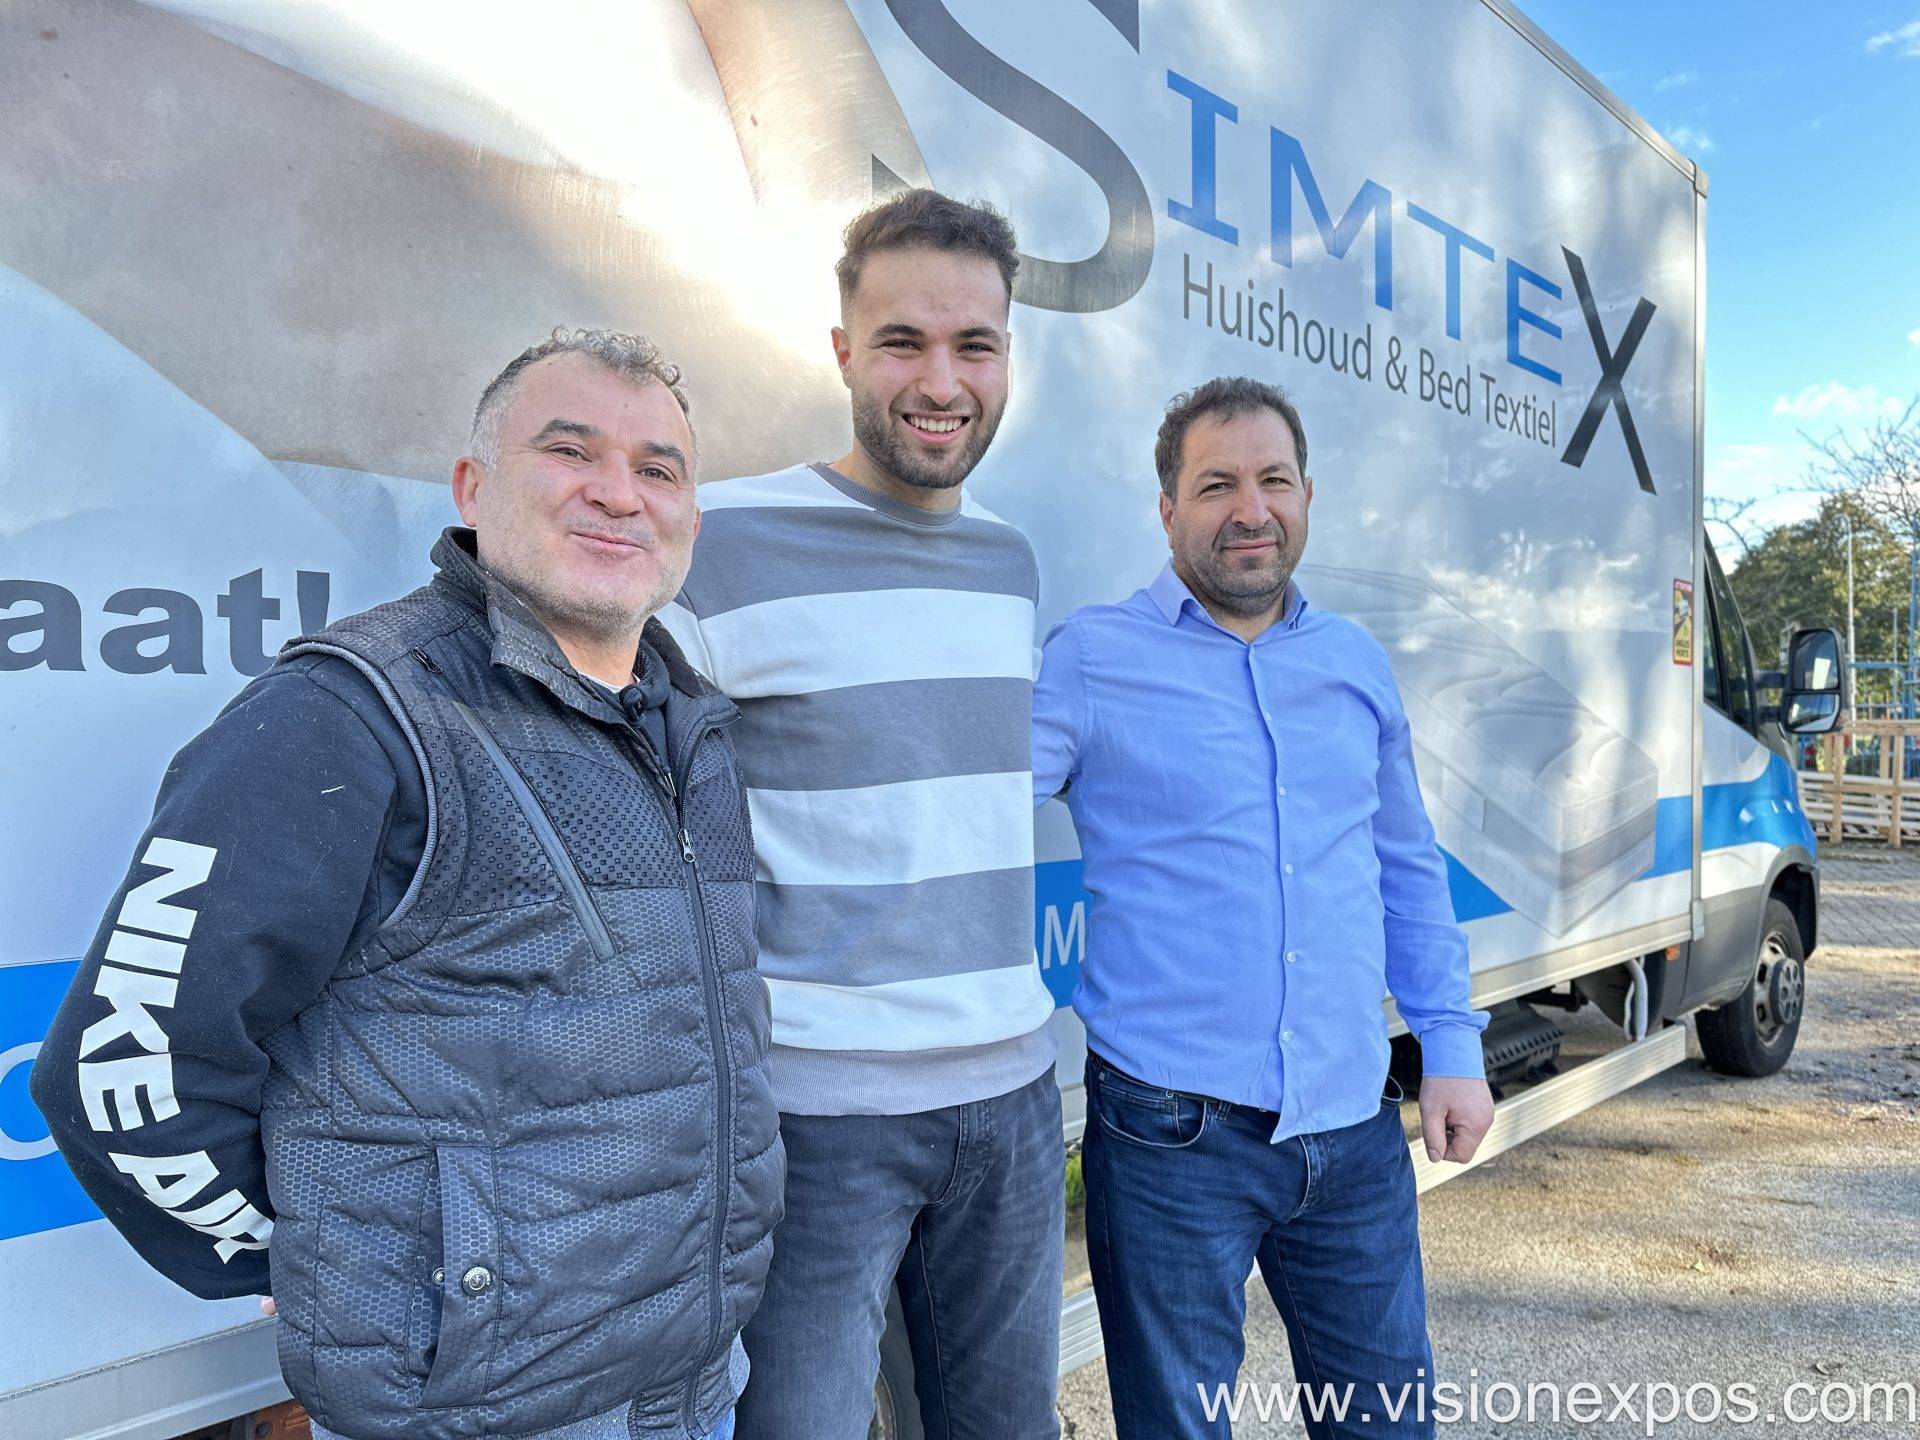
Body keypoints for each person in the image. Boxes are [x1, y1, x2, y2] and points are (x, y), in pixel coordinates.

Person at [30, 329, 780, 1440]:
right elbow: (122, 1065)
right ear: (473, 488)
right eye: (570, 450)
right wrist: (302, 1255)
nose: (619, 494)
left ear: (691, 519)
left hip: (696, 1380)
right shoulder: (350, 714)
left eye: (657, 468)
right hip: (480, 1414)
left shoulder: (692, 730)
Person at [660, 190, 1063, 1439]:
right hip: (817, 1121)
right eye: (902, 342)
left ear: (1007, 358)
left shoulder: (1010, 558)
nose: (941, 381)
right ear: (842, 352)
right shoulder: (719, 543)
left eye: (974, 345)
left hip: (1013, 1098)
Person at [1031, 376, 1495, 1439]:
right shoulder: (1090, 659)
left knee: (1385, 1422)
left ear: (1307, 496)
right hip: (1170, 1137)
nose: (1251, 510)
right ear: (1167, 510)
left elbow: (1406, 867)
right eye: (1216, 486)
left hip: (1353, 1127)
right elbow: (970, 810)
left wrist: (1452, 1044)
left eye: (1273, 480)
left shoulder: (1353, 663)